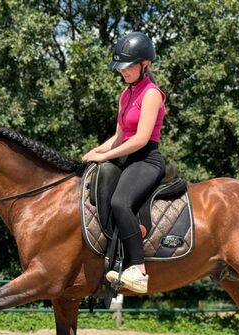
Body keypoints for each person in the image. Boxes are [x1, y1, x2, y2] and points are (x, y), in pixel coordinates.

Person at [82, 32, 166, 294]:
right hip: (128, 159)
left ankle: (138, 270)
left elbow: (140, 139)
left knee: (120, 201)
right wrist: (93, 152)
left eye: (129, 66)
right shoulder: (125, 94)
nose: (124, 72)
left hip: (147, 160)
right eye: (121, 67)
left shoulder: (152, 94)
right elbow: (119, 138)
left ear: (145, 65)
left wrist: (105, 157)